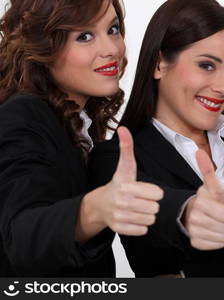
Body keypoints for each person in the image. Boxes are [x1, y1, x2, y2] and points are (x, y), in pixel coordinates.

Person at [90, 0, 224, 277]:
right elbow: (152, 208)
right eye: (206, 65)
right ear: (159, 64)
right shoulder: (117, 157)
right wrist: (188, 212)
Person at [0, 0, 163, 277]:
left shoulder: (79, 126)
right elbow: (23, 234)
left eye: (113, 29)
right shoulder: (23, 115)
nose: (112, 49)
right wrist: (96, 208)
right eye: (84, 36)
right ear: (42, 48)